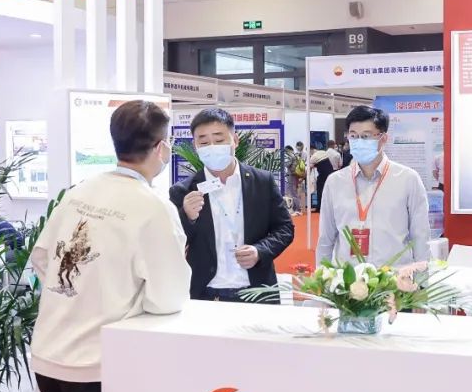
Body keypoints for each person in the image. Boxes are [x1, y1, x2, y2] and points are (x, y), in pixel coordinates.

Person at [30, 100, 190, 392]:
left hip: (49, 353)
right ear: (160, 148)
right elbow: (169, 297)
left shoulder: (80, 192)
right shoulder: (153, 207)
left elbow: (42, 258)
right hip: (96, 365)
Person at [169, 108, 294, 302]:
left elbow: (285, 228)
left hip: (257, 292)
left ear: (235, 140)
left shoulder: (262, 182)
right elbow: (173, 243)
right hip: (207, 294)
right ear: (195, 146)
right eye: (204, 142)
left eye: (219, 140)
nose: (212, 147)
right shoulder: (183, 191)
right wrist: (187, 217)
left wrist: (260, 251)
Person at [317, 106, 429, 267]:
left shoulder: (407, 179)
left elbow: (420, 236)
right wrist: (322, 276)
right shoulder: (335, 182)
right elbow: (325, 239)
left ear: (383, 138)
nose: (358, 142)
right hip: (348, 279)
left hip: (395, 278)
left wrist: (422, 278)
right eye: (353, 136)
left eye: (366, 136)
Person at [311, 141, 336, 212]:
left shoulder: (313, 157)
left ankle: (319, 207)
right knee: (330, 192)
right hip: (331, 174)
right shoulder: (323, 152)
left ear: (311, 150)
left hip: (323, 176)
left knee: (320, 191)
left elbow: (309, 168)